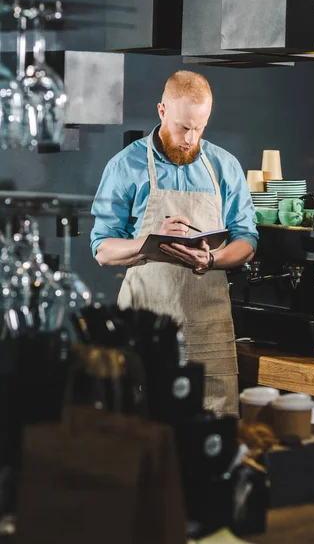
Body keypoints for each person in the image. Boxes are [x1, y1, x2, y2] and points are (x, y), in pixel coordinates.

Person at [91, 71, 258, 415]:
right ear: (162, 111)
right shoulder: (126, 166)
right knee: (141, 424)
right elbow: (103, 249)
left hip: (208, 326)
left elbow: (246, 240)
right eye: (184, 127)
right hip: (144, 322)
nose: (191, 138)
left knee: (213, 429)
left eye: (200, 127)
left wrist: (211, 260)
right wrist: (148, 242)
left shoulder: (224, 166)